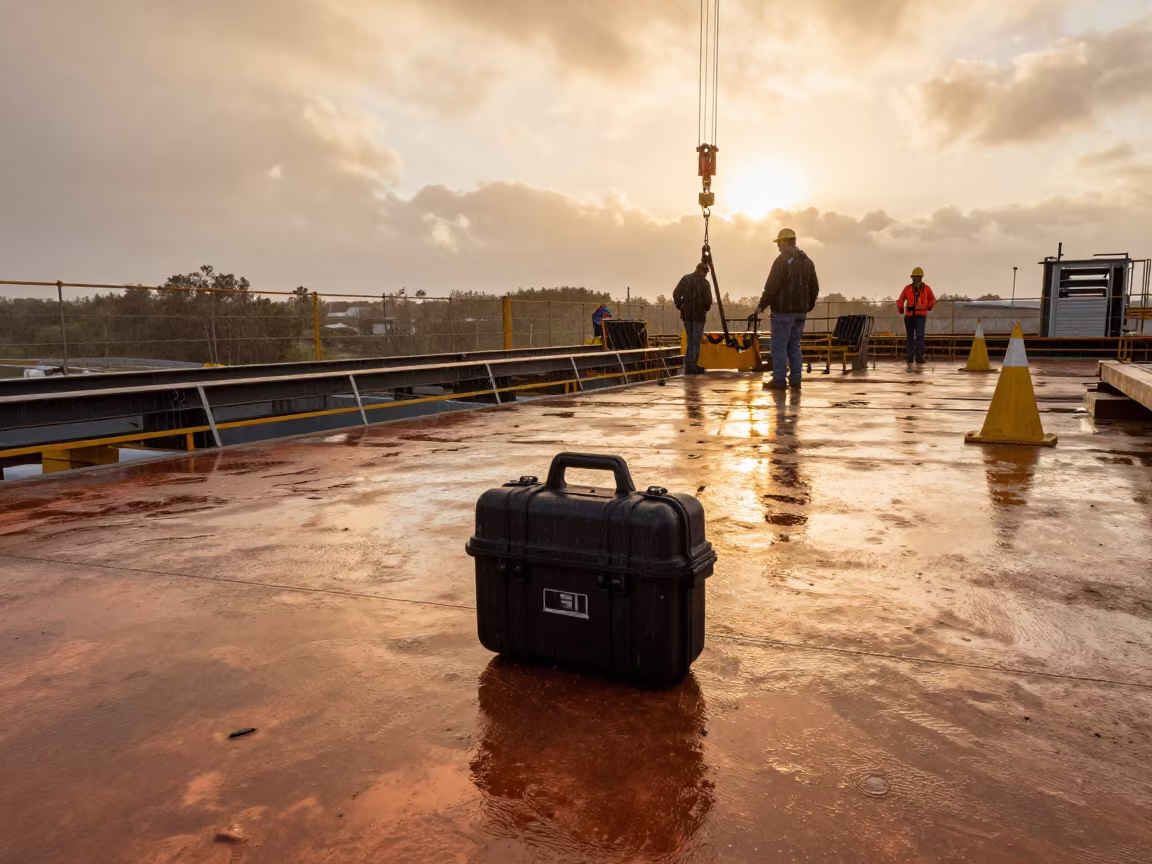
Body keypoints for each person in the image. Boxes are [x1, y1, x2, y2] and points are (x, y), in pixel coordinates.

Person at [754, 228, 819, 390]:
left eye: (779, 243)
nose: (778, 247)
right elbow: (814, 288)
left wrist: (761, 305)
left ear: (785, 242)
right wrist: (806, 306)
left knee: (779, 346)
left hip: (783, 312)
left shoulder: (781, 261)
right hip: (800, 313)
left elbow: (772, 287)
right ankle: (796, 379)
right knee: (794, 345)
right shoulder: (807, 262)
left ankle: (779, 380)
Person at [673, 261, 713, 375]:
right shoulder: (705, 283)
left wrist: (680, 305)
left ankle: (689, 365)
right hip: (698, 316)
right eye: (705, 272)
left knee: (691, 340)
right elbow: (708, 301)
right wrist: (704, 308)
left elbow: (676, 293)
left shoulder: (686, 279)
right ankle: (692, 366)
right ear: (703, 271)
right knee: (695, 341)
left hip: (687, 315)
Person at [897, 267, 936, 364]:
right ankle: (910, 356)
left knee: (920, 336)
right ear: (912, 277)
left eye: (918, 277)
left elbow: (932, 299)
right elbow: (901, 299)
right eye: (914, 277)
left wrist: (928, 306)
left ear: (921, 277)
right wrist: (900, 306)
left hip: (921, 316)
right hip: (909, 316)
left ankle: (919, 356)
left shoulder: (926, 289)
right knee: (909, 337)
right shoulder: (907, 288)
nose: (916, 278)